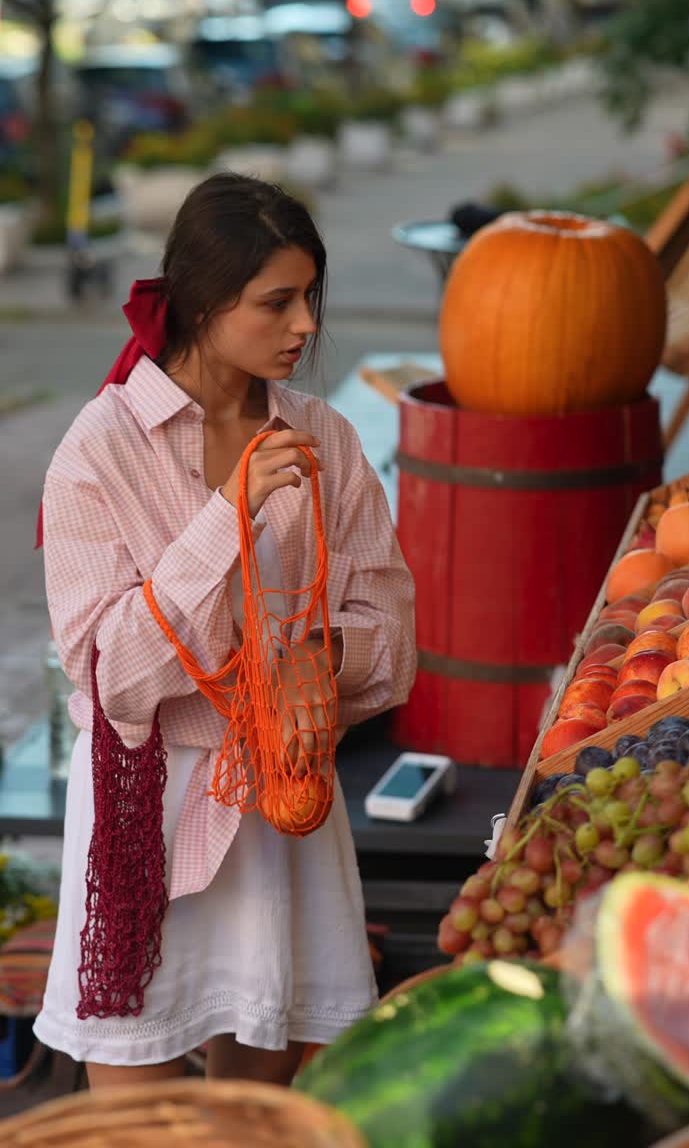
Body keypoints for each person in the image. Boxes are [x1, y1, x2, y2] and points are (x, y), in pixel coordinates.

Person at [33, 172, 416, 1089]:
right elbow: (112, 674)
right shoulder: (100, 448)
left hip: (283, 803)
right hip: (148, 808)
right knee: (135, 1105)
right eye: (275, 302)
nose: (305, 326)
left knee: (256, 1110)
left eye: (308, 299)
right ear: (204, 303)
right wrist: (228, 515)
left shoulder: (323, 439)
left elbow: (394, 647)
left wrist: (306, 667)